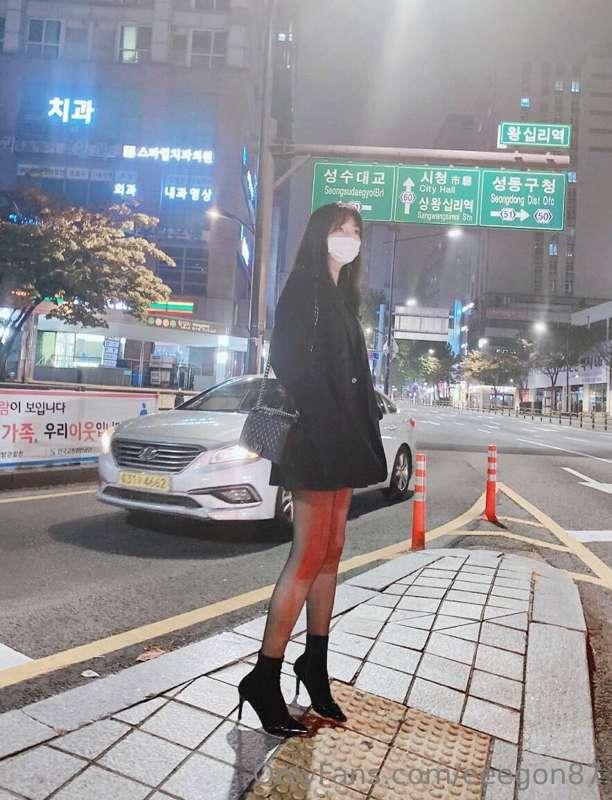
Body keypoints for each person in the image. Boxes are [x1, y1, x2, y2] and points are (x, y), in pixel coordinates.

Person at [238, 203, 388, 736]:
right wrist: (331, 425)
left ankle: (314, 664)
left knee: (332, 551)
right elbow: (291, 363)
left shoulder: (343, 295)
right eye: (339, 229)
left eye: (356, 231)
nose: (349, 237)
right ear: (319, 235)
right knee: (307, 555)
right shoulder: (305, 287)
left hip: (343, 439)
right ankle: (264, 676)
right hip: (317, 439)